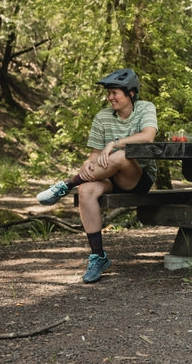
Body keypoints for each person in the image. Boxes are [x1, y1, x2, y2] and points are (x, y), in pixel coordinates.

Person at [36, 68, 158, 283]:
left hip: (137, 177)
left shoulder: (145, 108)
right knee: (86, 189)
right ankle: (98, 255)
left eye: (114, 93)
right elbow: (93, 156)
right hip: (107, 176)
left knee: (121, 156)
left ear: (130, 93)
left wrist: (115, 143)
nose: (110, 97)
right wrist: (87, 167)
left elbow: (148, 136)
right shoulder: (102, 116)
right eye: (108, 93)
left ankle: (67, 184)